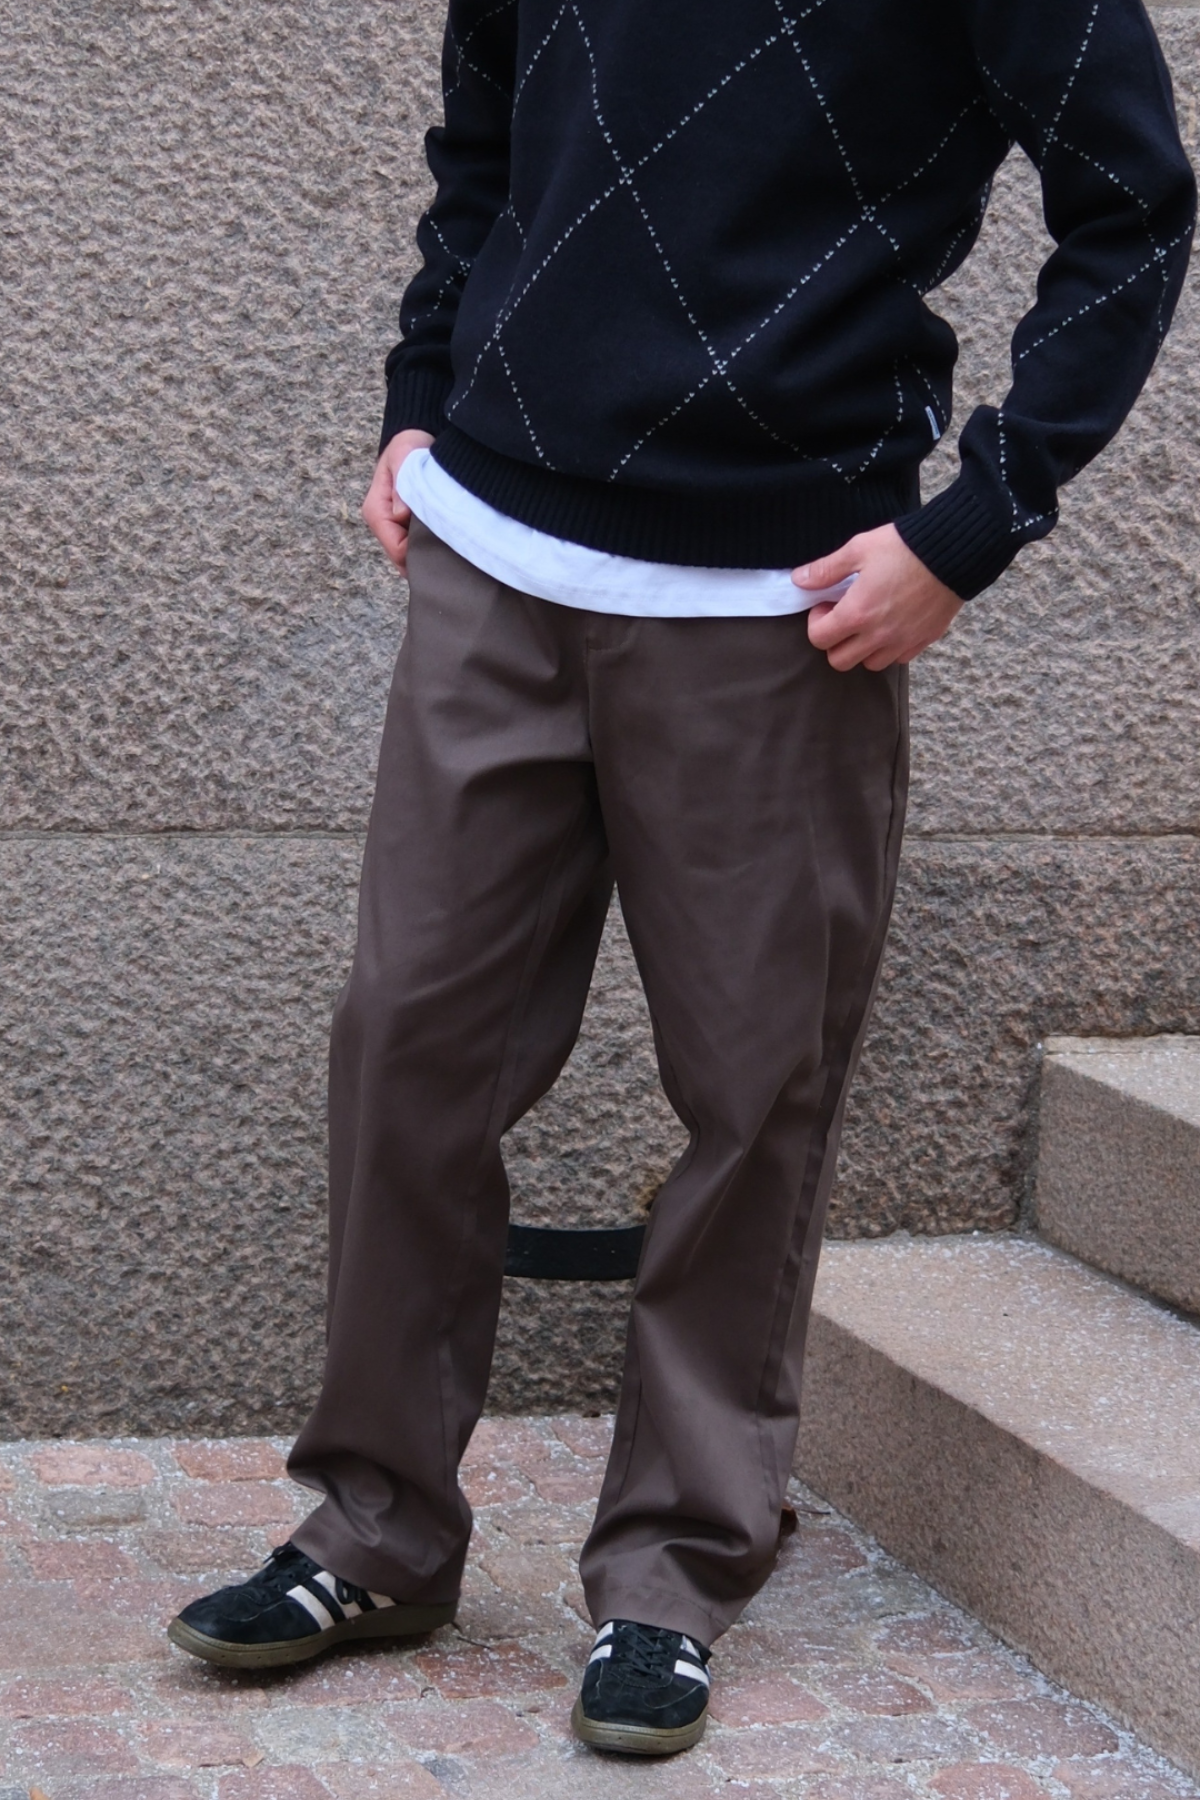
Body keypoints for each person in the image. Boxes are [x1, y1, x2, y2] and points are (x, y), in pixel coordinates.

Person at [168, 0, 1194, 1757]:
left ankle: (671, 1572)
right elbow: (483, 134)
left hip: (775, 606)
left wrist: (967, 530)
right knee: (406, 1044)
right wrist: (421, 396)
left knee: (751, 1094)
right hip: (493, 554)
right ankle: (377, 1532)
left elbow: (1136, 206)